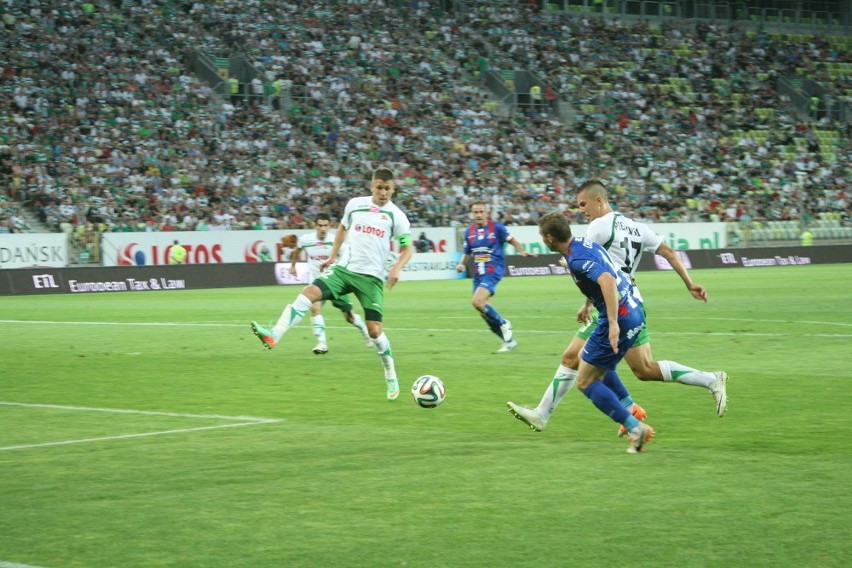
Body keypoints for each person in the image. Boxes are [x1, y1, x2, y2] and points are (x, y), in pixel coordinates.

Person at [508, 180, 728, 435]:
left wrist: (590, 304)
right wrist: (689, 283)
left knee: (578, 361)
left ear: (599, 200)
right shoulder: (636, 227)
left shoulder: (598, 227)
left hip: (615, 304)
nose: (582, 210)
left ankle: (547, 414)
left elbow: (597, 270)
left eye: (583, 204)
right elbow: (668, 252)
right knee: (643, 369)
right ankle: (708, 380)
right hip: (633, 298)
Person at [251, 167, 413, 401]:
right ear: (372, 186)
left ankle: (390, 372)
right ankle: (274, 334)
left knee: (375, 331)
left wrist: (397, 267)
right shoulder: (355, 204)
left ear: (393, 189)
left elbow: (408, 248)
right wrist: (332, 256)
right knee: (309, 293)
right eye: (379, 187)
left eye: (387, 189)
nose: (383, 193)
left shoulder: (397, 216)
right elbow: (342, 230)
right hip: (343, 269)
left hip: (371, 279)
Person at [525, 211, 655, 453]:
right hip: (635, 309)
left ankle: (636, 428)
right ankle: (631, 408)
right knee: (590, 361)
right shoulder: (583, 245)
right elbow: (598, 268)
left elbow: (606, 279)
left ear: (550, 238)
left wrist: (614, 323)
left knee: (585, 382)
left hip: (618, 317)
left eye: (543, 237)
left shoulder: (576, 259)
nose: (543, 241)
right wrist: (587, 301)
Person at [456, 202, 536, 353]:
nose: (478, 215)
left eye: (481, 211)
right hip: (477, 274)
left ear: (486, 213)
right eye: (475, 212)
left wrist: (522, 251)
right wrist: (461, 265)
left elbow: (511, 239)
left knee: (477, 301)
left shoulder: (497, 228)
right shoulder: (469, 232)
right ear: (472, 214)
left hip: (493, 270)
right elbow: (467, 253)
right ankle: (509, 341)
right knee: (483, 313)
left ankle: (504, 322)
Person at [289, 212, 372, 354]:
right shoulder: (306, 240)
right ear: (315, 226)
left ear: (330, 226)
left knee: (349, 317)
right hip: (316, 283)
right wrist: (293, 265)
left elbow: (347, 258)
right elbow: (298, 249)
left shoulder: (336, 241)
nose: (323, 228)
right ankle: (321, 344)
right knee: (314, 308)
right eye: (320, 225)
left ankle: (365, 332)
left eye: (325, 225)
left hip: (335, 282)